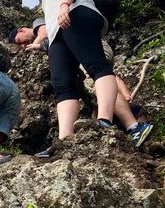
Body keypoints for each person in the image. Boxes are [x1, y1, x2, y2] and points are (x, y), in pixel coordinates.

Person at [21, 0, 152, 152]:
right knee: (62, 86)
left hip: (77, 13)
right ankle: (64, 141)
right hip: (58, 32)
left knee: (97, 66)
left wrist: (65, 5)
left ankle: (104, 121)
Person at [9, 20, 152, 151]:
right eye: (20, 46)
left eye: (19, 41)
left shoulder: (39, 24)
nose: (22, 46)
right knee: (97, 88)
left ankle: (133, 126)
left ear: (21, 30)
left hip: (86, 46)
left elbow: (44, 31)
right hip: (82, 47)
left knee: (96, 85)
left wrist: (36, 45)